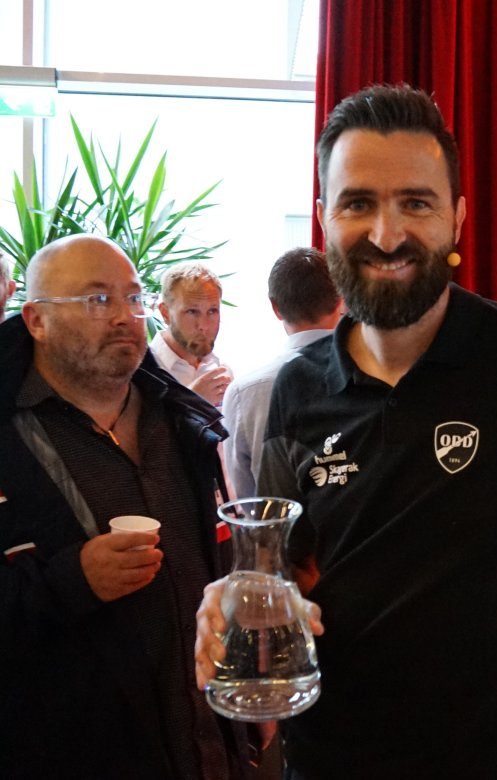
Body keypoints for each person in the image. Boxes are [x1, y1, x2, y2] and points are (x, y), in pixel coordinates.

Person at [194, 83, 497, 779]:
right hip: (331, 758)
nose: (386, 234)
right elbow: (286, 566)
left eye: (416, 203)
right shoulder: (299, 391)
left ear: (457, 217)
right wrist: (240, 594)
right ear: (324, 217)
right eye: (358, 203)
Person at [0, 234, 251, 778]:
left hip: (206, 745)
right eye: (97, 299)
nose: (123, 316)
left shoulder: (182, 422)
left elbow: (212, 569)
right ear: (37, 319)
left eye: (133, 298)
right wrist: (69, 581)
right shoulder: (10, 437)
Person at [221, 247, 342, 498]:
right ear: (340, 300)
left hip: (276, 520)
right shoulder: (370, 375)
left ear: (275, 307)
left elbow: (246, 497)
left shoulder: (244, 392)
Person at [150, 261, 234, 406]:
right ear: (165, 313)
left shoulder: (222, 371)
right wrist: (191, 402)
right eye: (192, 312)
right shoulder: (141, 371)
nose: (204, 326)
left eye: (212, 311)